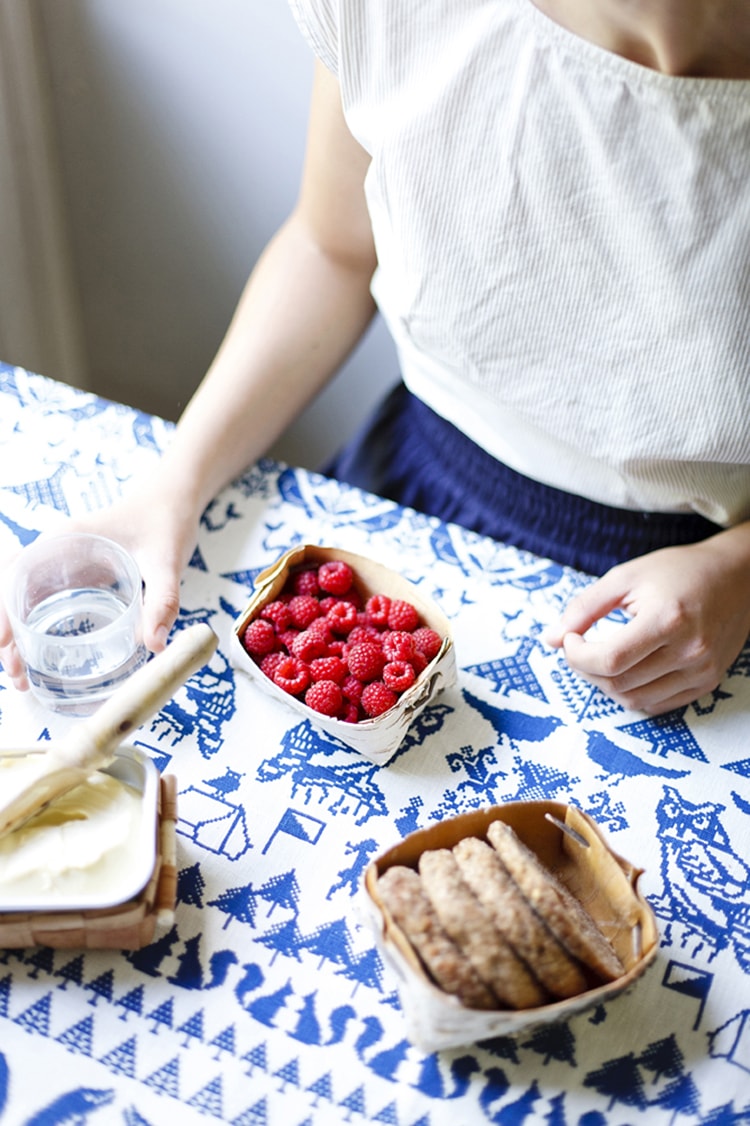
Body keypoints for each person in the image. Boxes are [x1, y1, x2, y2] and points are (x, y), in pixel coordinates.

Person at [2, 0, 750, 716]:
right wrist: (173, 485)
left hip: (693, 606)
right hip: (408, 479)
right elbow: (332, 249)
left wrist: (738, 572)